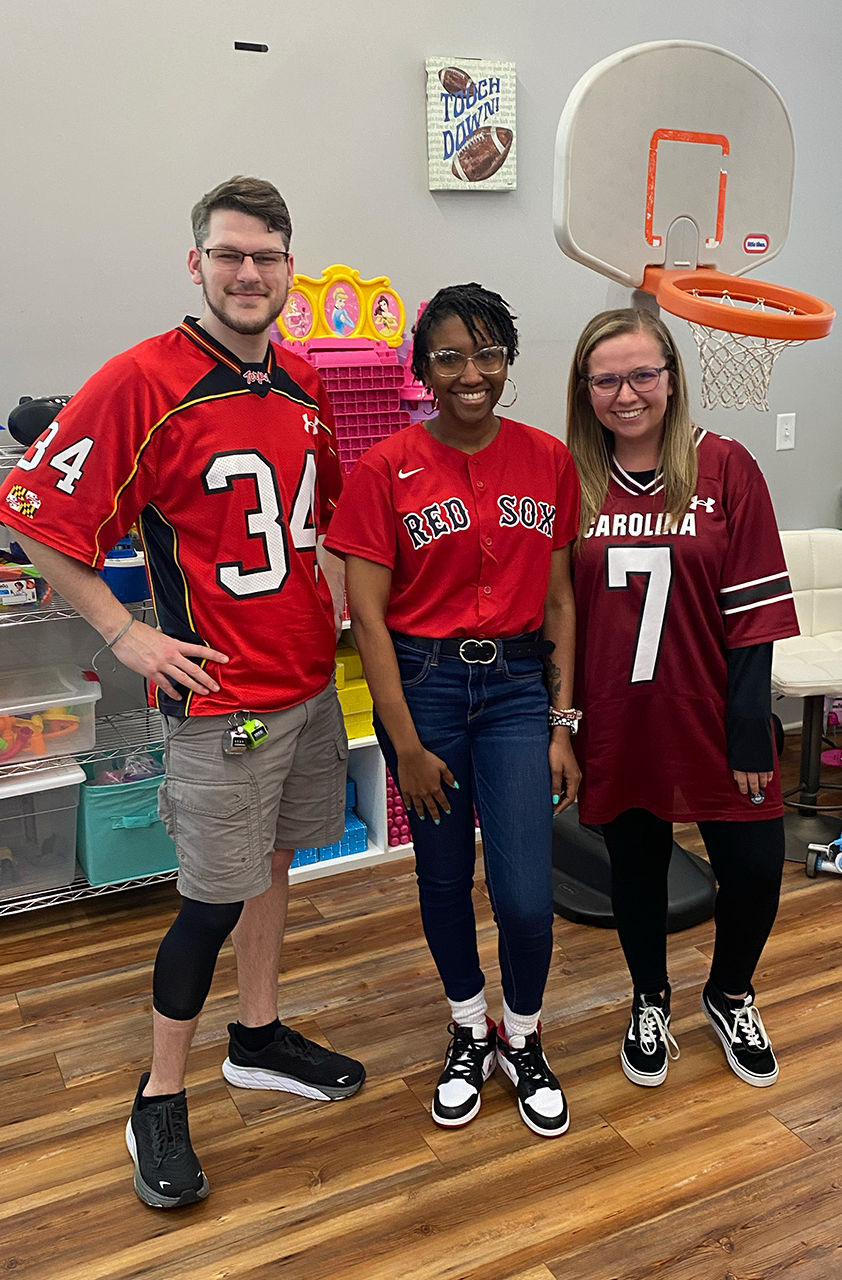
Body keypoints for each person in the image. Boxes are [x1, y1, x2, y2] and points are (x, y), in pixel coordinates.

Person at [0, 176, 365, 1209]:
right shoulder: (142, 379)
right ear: (196, 262)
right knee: (208, 900)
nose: (249, 273)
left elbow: (320, 522)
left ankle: (256, 1036)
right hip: (220, 701)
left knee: (275, 867)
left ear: (289, 268)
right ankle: (159, 1093)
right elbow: (27, 509)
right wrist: (125, 633)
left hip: (306, 685)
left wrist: (338, 606)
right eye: (230, 254)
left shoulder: (303, 381)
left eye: (267, 256)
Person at [324, 284, 581, 1137]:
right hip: (425, 688)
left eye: (488, 354)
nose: (472, 374)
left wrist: (562, 724)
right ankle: (469, 1027)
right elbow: (367, 619)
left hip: (515, 689)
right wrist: (403, 743)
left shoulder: (548, 459)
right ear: (423, 370)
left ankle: (523, 1036)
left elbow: (561, 601)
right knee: (441, 878)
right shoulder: (383, 467)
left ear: (508, 361)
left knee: (525, 897)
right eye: (450, 357)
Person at [565, 308, 799, 1091]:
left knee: (755, 870)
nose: (626, 393)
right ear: (585, 389)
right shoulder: (572, 479)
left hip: (713, 714)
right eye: (606, 379)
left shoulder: (725, 466)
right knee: (637, 872)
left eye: (642, 375)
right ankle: (650, 997)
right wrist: (563, 725)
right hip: (619, 718)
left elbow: (755, 614)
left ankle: (729, 994)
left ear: (671, 377)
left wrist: (748, 727)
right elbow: (558, 617)